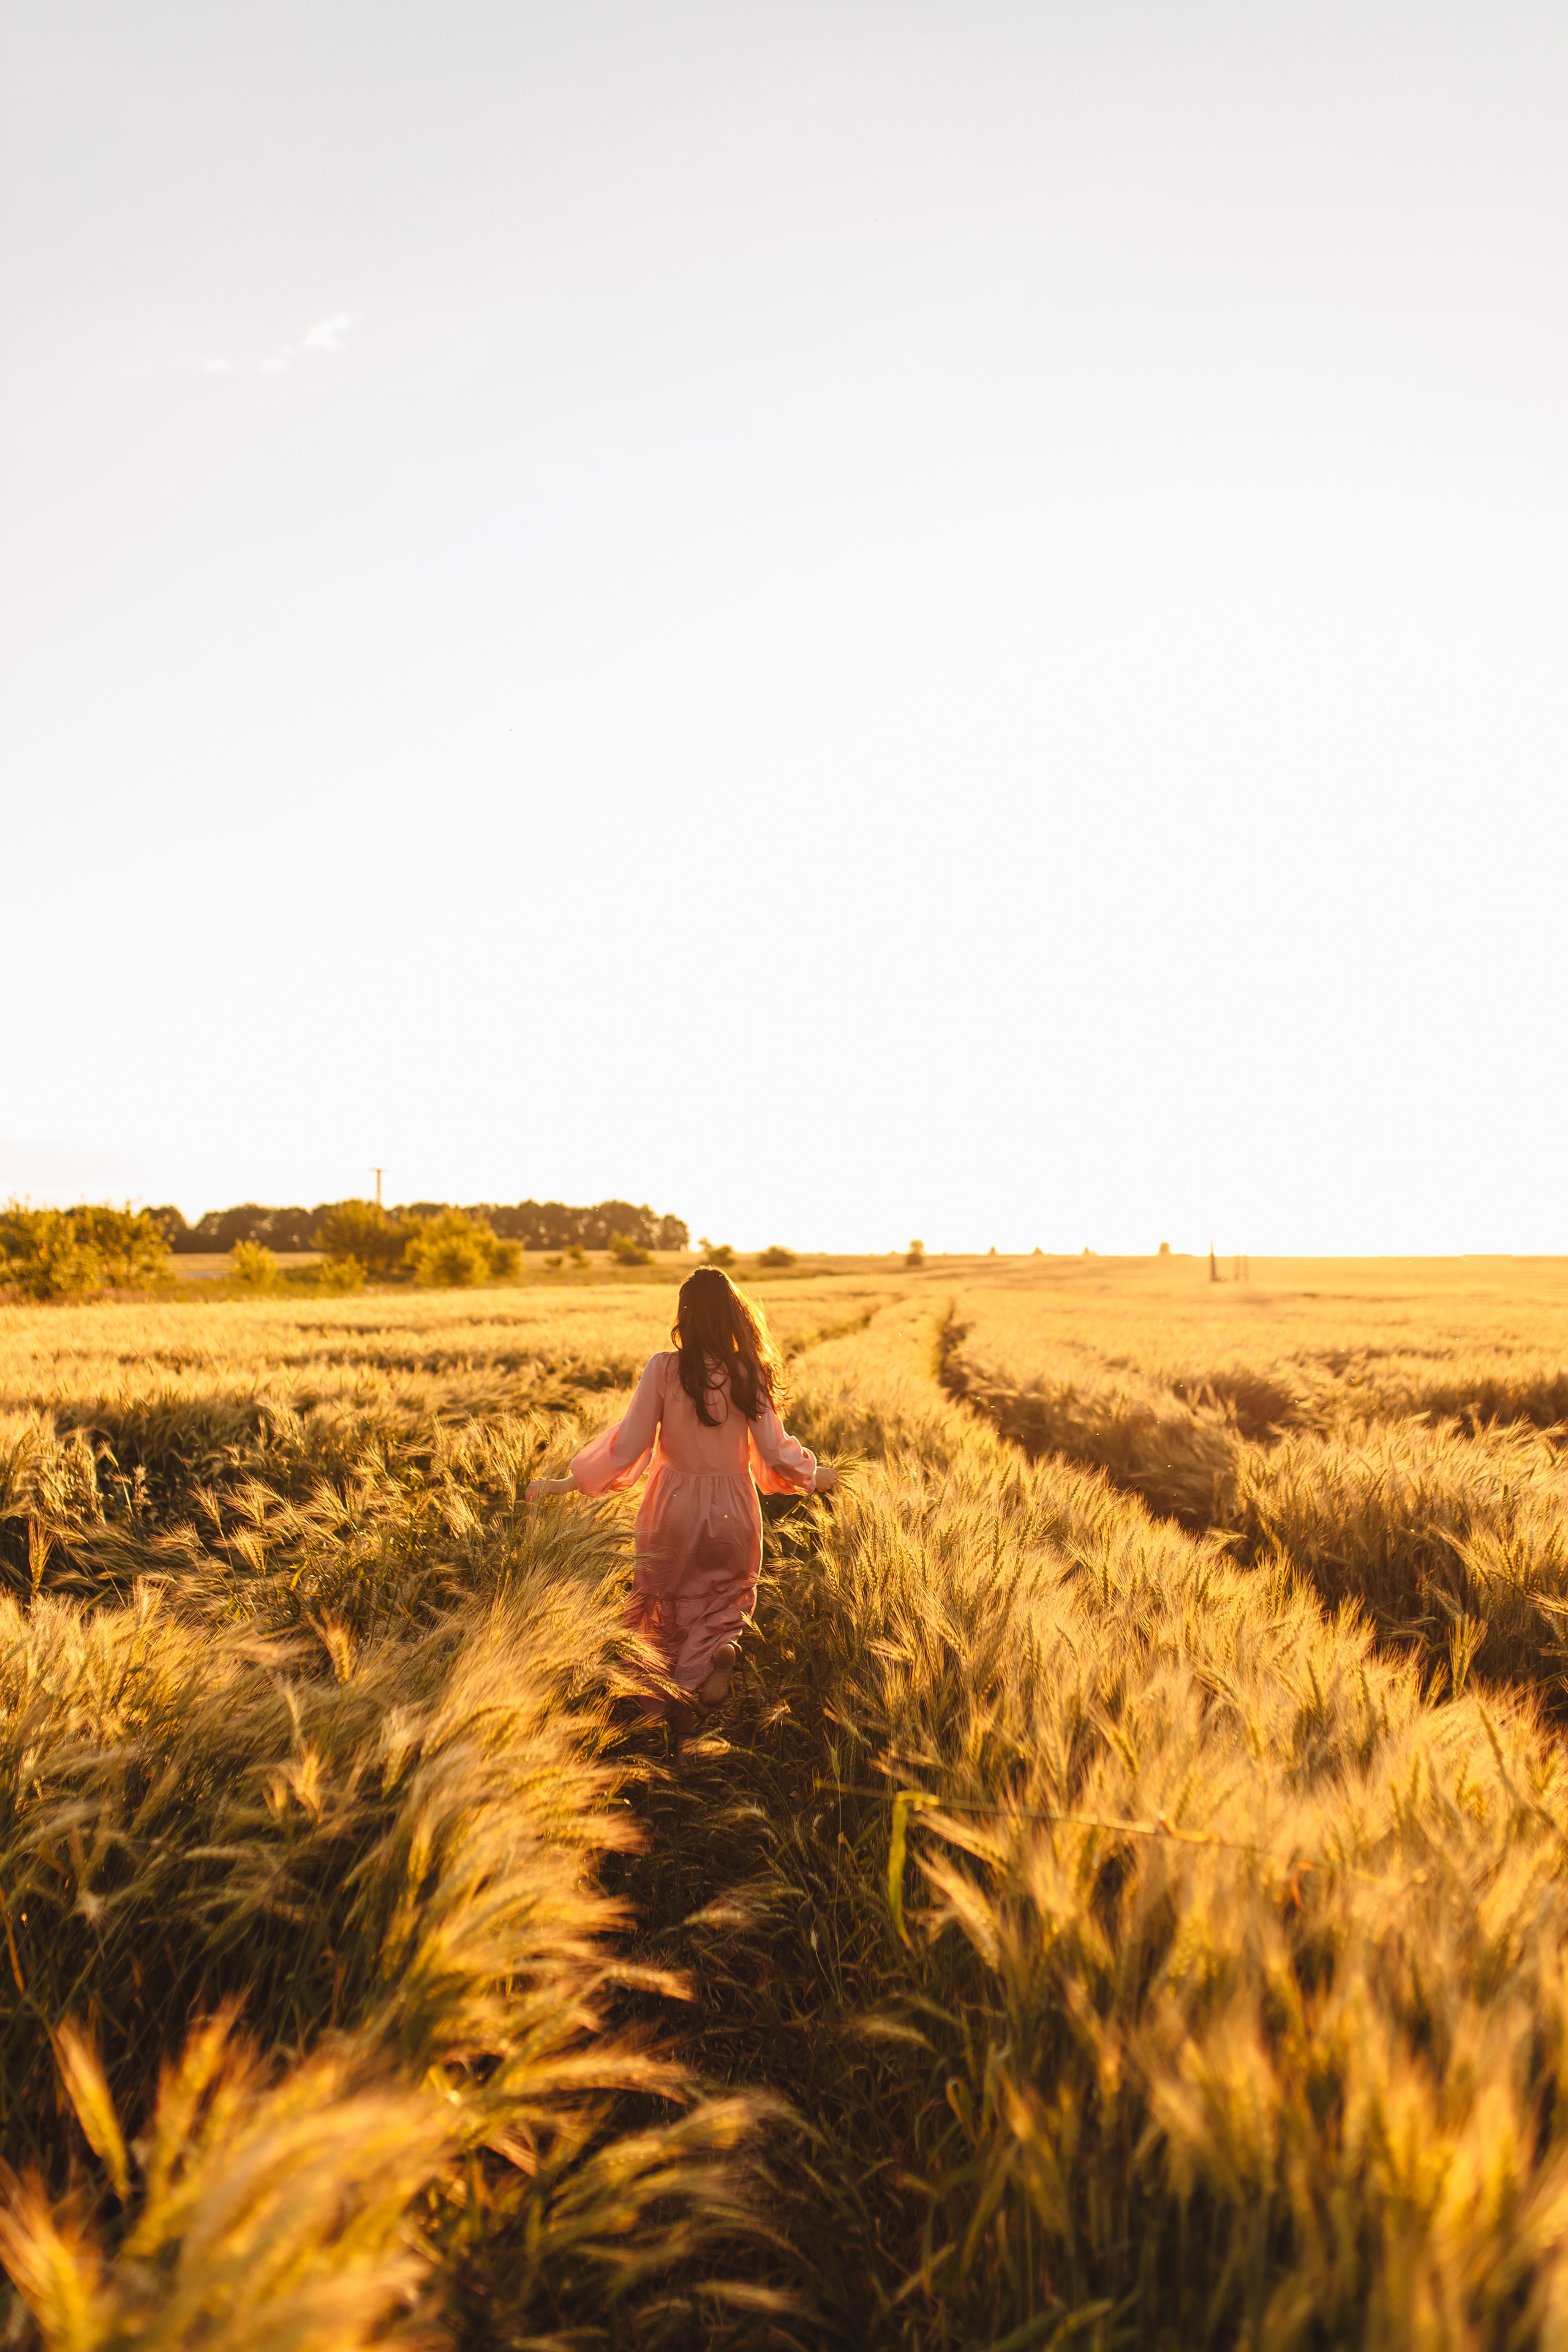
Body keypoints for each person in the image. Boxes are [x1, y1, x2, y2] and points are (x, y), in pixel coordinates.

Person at [526, 1266, 837, 1713]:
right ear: (736, 1317)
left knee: (662, 1610)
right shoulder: (748, 1372)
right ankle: (717, 1656)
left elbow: (628, 1445)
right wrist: (813, 1475)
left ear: (684, 1317)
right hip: (733, 1509)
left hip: (670, 1510)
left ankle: (668, 1717)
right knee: (725, 1598)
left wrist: (569, 1482)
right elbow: (774, 1449)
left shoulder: (664, 1369)